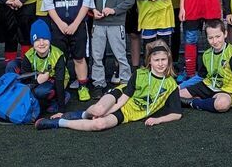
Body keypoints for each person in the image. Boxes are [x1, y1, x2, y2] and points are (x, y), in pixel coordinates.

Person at [35, 41, 181, 131]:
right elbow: (124, 98)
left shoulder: (171, 84)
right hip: (119, 96)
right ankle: (84, 114)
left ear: (168, 61)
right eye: (157, 60)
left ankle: (59, 123)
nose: (161, 63)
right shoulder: (140, 74)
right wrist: (105, 112)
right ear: (150, 61)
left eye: (163, 60)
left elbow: (177, 114)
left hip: (129, 114)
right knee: (98, 110)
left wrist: (158, 120)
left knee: (99, 125)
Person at [178, 19, 232, 114]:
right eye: (210, 38)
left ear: (225, 34)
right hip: (208, 86)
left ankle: (195, 102)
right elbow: (200, 76)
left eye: (218, 36)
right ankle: (205, 101)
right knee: (175, 96)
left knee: (222, 104)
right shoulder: (206, 54)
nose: (215, 41)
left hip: (225, 91)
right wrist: (180, 86)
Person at [43, 0, 95, 102]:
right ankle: (59, 86)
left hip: (78, 26)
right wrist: (60, 24)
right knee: (59, 59)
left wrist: (74, 24)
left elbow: (86, 4)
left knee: (79, 58)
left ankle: (83, 86)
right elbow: (49, 5)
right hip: (59, 27)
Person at [90, 0, 135, 94]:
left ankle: (125, 82)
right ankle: (98, 84)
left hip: (116, 23)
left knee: (120, 55)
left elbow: (130, 0)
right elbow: (91, 0)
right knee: (97, 55)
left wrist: (114, 10)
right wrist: (93, 11)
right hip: (98, 24)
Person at [10, 19, 68, 114]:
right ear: (32, 42)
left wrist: (61, 110)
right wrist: (37, 81)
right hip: (38, 80)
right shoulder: (28, 56)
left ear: (49, 40)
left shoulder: (58, 55)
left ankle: (60, 98)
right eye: (37, 40)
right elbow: (26, 82)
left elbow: (60, 81)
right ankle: (12, 99)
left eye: (45, 39)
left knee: (40, 91)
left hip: (55, 81)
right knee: (11, 66)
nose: (41, 43)